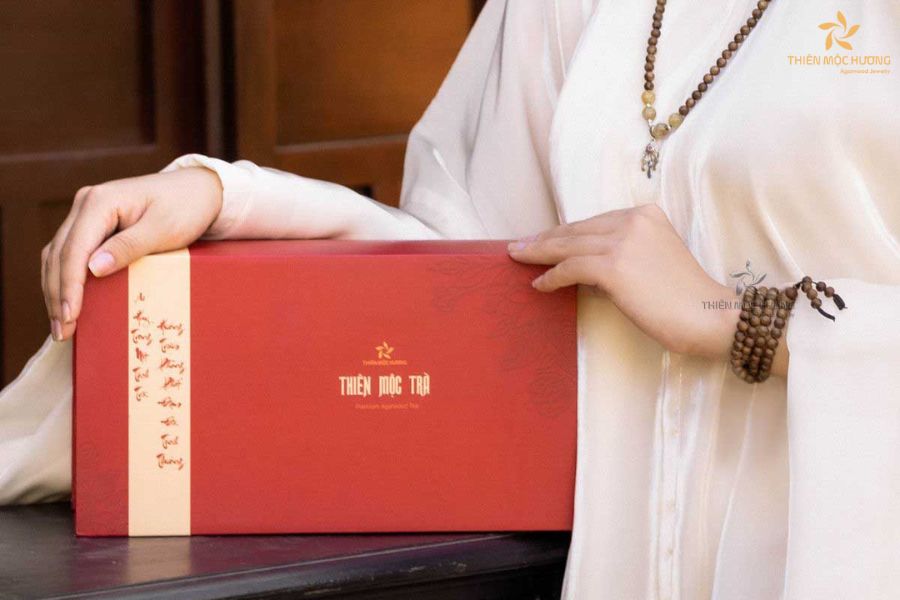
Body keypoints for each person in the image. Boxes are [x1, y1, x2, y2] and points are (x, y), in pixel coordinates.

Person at [3, 0, 899, 597]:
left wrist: (743, 322)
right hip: (622, 556)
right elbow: (479, 278)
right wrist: (228, 199)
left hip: (840, 544)